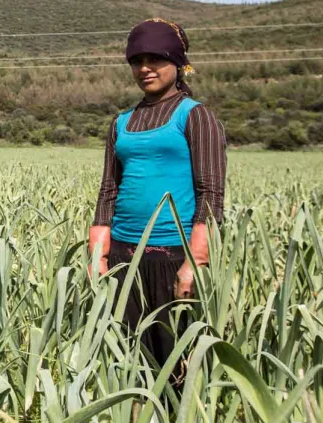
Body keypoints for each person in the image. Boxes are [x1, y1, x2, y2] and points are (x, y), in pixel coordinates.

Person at [90, 19, 226, 385]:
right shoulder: (121, 123)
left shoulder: (196, 116)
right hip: (123, 256)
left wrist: (195, 263)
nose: (145, 68)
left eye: (156, 58)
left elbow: (211, 194)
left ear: (178, 62)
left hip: (172, 256)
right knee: (129, 360)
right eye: (137, 60)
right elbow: (108, 191)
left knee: (177, 363)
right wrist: (98, 256)